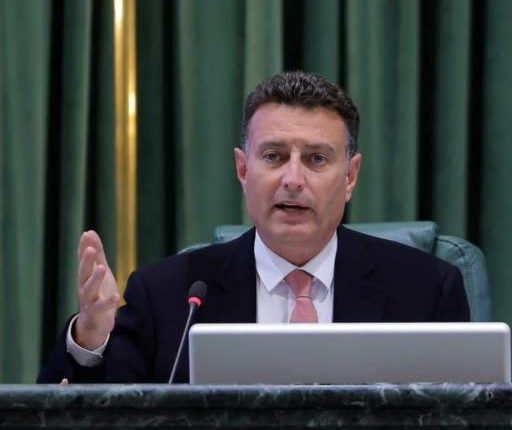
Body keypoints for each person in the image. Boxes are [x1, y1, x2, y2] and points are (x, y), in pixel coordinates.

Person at [38, 71, 469, 383]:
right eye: (274, 156)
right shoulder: (170, 297)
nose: (293, 179)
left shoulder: (426, 291)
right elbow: (86, 415)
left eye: (317, 159)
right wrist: (90, 337)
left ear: (350, 176)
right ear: (243, 169)